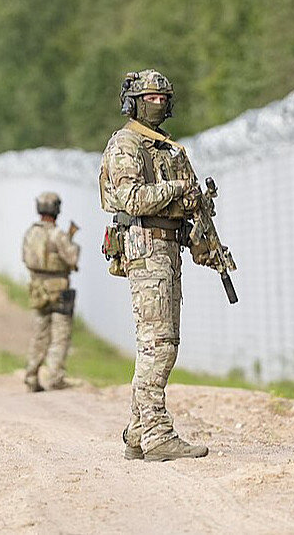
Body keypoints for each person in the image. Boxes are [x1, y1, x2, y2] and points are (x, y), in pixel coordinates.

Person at [99, 69, 209, 462]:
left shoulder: (166, 149)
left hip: (165, 248)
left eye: (163, 99)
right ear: (133, 102)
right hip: (146, 247)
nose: (157, 105)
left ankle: (136, 433)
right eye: (149, 98)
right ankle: (158, 434)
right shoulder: (126, 145)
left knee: (162, 342)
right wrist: (178, 189)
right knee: (159, 345)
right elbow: (131, 199)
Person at [21, 192, 81, 392]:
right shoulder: (58, 235)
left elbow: (26, 258)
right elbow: (71, 259)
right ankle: (55, 377)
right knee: (60, 335)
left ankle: (31, 376)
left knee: (40, 334)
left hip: (38, 288)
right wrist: (72, 242)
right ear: (56, 209)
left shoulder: (31, 233)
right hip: (59, 289)